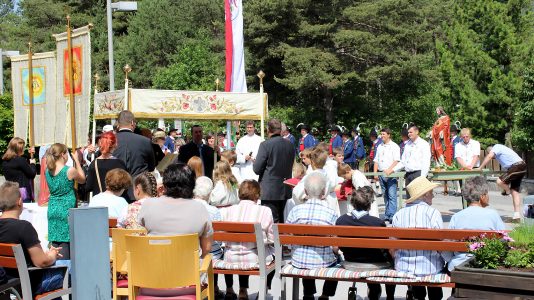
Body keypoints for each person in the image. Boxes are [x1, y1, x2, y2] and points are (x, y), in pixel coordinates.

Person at [0, 182, 65, 296]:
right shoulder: (24, 227)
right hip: (27, 283)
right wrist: (52, 254)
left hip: (7, 283)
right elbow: (41, 262)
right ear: (20, 202)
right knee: (70, 271)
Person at [138, 163, 213, 258]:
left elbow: (140, 233)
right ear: (192, 185)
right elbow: (207, 247)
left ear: (164, 184)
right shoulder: (199, 208)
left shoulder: (148, 204)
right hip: (188, 270)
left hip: (154, 268)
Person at [336, 186, 395, 300]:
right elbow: (386, 247)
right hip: (375, 264)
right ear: (369, 204)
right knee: (388, 257)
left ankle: (374, 290)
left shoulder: (341, 221)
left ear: (353, 202)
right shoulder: (377, 223)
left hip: (350, 261)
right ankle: (389, 296)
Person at [220, 180, 275, 300]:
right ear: (257, 194)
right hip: (255, 259)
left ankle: (241, 289)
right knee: (273, 255)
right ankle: (263, 290)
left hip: (230, 258)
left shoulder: (226, 211)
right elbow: (271, 239)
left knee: (241, 247)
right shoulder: (265, 210)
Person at [286, 173, 338, 300]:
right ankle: (325, 295)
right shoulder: (331, 213)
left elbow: (287, 235)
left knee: (304, 252)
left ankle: (308, 294)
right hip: (323, 262)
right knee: (337, 259)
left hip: (298, 261)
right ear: (324, 192)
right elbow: (336, 244)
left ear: (305, 191)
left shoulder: (295, 211)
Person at [392, 176, 445, 300]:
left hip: (403, 266)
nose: (433, 196)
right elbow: (440, 243)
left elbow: (393, 244)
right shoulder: (433, 213)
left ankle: (417, 295)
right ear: (425, 195)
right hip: (430, 267)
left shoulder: (399, 214)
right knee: (434, 262)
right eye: (431, 193)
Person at [447, 176, 505, 271]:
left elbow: (448, 244)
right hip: (486, 265)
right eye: (487, 194)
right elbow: (504, 239)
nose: (488, 196)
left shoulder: (456, 217)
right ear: (482, 197)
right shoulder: (493, 214)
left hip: (458, 266)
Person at [45, 143, 86, 259]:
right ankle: (65, 269)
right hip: (66, 208)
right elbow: (83, 179)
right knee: (66, 242)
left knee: (55, 242)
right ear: (63, 155)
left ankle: (55, 268)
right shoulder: (69, 170)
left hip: (52, 207)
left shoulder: (47, 171)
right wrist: (77, 161)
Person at [253, 119, 295, 223]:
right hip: (285, 187)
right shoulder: (289, 144)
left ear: (268, 130)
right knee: (280, 219)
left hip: (269, 189)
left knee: (270, 222)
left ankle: (274, 240)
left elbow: (257, 169)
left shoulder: (265, 145)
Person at [113, 110, 156, 200]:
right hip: (138, 190)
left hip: (115, 189)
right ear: (132, 123)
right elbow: (151, 166)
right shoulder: (144, 141)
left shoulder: (110, 141)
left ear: (118, 124)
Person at [478, 144, 526, 220]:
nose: (494, 158)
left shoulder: (496, 147)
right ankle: (517, 216)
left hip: (517, 167)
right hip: (522, 167)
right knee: (515, 192)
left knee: (499, 181)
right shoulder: (503, 150)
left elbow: (490, 156)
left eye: (493, 156)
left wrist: (480, 168)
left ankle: (507, 191)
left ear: (490, 151)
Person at [293, 147, 340, 214]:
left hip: (311, 208)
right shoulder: (327, 175)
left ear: (312, 162)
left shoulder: (311, 177)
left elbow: (296, 193)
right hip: (327, 207)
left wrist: (302, 202)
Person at [85, 131, 128, 197]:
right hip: (116, 201)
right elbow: (125, 186)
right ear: (115, 145)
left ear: (100, 144)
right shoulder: (120, 164)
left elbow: (88, 187)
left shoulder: (94, 164)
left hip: (100, 203)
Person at [373, 128, 401, 222]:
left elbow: (396, 160)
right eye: (381, 134)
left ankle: (392, 215)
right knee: (385, 195)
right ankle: (387, 213)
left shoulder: (394, 146)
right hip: (381, 174)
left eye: (383, 134)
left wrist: (389, 170)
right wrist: (375, 172)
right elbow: (376, 160)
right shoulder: (380, 146)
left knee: (392, 195)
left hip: (391, 174)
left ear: (389, 135)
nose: (382, 136)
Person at [2, 137, 36, 202]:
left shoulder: (5, 161)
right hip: (22, 193)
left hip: (10, 191)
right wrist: (33, 164)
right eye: (23, 148)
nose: (24, 149)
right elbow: (32, 174)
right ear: (19, 149)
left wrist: (30, 156)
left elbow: (21, 166)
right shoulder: (20, 160)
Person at [400, 125, 431, 190]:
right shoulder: (407, 145)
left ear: (416, 132)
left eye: (411, 132)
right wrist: (392, 170)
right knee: (410, 199)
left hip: (418, 174)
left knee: (419, 198)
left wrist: (422, 177)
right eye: (408, 132)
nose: (409, 134)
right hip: (408, 175)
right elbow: (403, 161)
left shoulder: (423, 144)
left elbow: (426, 162)